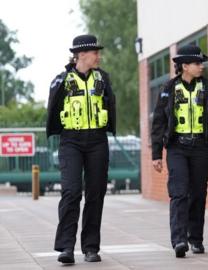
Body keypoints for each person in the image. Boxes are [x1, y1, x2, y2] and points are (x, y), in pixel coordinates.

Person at [151, 45, 208, 258]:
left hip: (201, 147)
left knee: (198, 193)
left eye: (201, 63)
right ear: (184, 66)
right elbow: (158, 122)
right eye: (197, 63)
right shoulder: (168, 89)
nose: (200, 66)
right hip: (177, 147)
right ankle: (179, 240)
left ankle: (195, 238)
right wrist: (156, 154)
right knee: (179, 193)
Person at [46, 34, 116, 264]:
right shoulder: (62, 80)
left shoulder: (103, 79)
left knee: (96, 193)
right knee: (71, 191)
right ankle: (66, 247)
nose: (99, 56)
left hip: (97, 140)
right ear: (82, 54)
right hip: (71, 141)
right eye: (95, 52)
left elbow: (109, 104)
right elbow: (53, 108)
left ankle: (90, 247)